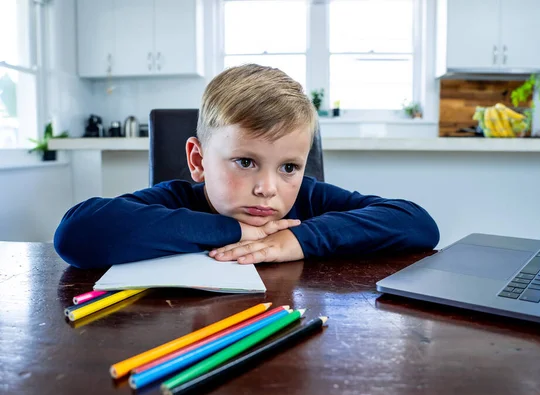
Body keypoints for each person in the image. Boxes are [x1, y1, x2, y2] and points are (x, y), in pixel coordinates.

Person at [54, 64, 439, 269]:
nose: (268, 188)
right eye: (245, 162)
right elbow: (75, 232)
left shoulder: (308, 198)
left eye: (289, 166)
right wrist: (236, 231)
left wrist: (298, 239)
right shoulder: (176, 199)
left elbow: (417, 222)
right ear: (198, 159)